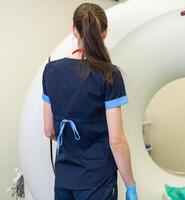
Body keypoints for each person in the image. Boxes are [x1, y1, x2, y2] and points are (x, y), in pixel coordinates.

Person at [42, 3, 138, 200]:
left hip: (64, 180)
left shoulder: (51, 71)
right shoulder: (109, 75)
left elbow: (49, 130)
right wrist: (131, 186)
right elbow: (117, 141)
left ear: (74, 30)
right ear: (104, 33)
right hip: (97, 181)